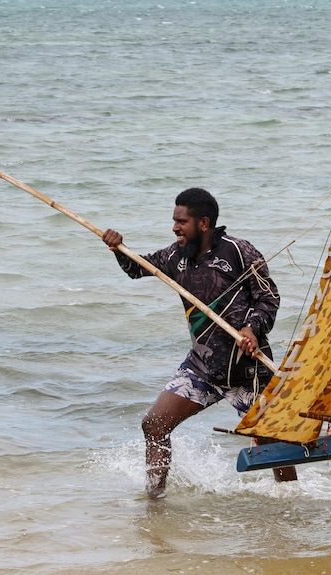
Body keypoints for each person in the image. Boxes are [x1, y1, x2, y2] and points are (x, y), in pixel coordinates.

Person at [102, 187, 297, 499]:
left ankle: (290, 500)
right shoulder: (175, 257)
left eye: (182, 222)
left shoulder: (239, 251)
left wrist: (251, 329)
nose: (175, 228)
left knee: (272, 443)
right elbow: (138, 268)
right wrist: (119, 248)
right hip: (202, 365)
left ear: (203, 223)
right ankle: (156, 503)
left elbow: (268, 298)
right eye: (175, 221)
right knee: (154, 425)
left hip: (245, 368)